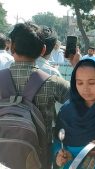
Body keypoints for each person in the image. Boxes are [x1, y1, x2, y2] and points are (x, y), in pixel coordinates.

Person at [5, 22, 70, 169]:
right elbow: (81, 104)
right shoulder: (53, 82)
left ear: (11, 48)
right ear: (43, 50)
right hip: (40, 156)